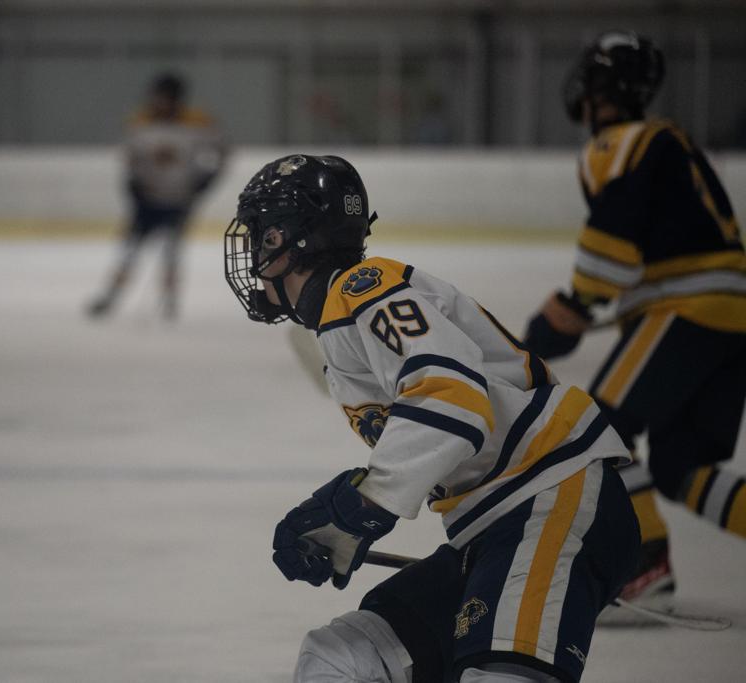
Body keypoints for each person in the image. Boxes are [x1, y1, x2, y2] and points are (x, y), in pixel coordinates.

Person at [224, 154, 640, 683]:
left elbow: (452, 397)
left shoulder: (364, 288)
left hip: (552, 496)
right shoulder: (341, 324)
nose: (256, 256)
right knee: (338, 659)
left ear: (294, 240)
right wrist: (338, 529)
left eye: (262, 237)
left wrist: (363, 505)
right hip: (492, 525)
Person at [522, 31, 746, 612]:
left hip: (687, 310)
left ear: (598, 88)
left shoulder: (622, 141)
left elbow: (614, 239)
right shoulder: (670, 141)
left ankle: (647, 564)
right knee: (680, 466)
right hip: (729, 316)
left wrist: (574, 306)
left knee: (598, 429)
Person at [87, 72, 225, 320]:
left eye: (165, 97)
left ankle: (169, 302)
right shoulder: (140, 121)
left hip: (179, 198)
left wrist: (205, 180)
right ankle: (112, 296)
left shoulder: (197, 122)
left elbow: (222, 151)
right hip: (147, 200)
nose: (159, 102)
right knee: (129, 251)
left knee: (171, 252)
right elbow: (131, 159)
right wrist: (133, 184)